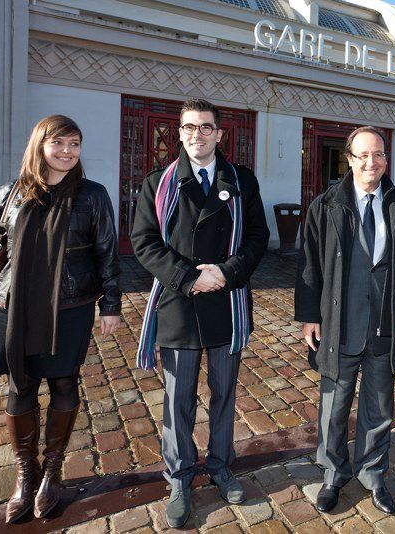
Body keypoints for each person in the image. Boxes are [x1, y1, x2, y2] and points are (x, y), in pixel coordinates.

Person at [0, 115, 122, 523]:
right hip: (14, 306)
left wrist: (110, 304)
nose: (67, 152)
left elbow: (107, 254)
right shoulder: (12, 193)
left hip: (70, 307)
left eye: (75, 144)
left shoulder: (92, 196)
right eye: (58, 143)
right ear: (39, 146)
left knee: (63, 382)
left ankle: (52, 471)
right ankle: (27, 472)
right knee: (20, 384)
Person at [130, 98, 269, 528]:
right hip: (178, 304)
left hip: (226, 302)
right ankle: (180, 475)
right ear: (180, 132)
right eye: (189, 127)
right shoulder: (159, 183)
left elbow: (258, 235)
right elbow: (144, 243)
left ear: (219, 134)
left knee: (225, 395)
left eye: (206, 127)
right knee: (178, 400)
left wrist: (226, 273)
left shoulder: (241, 180)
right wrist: (189, 277)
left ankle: (222, 465)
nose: (197, 134)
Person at [295, 126, 395, 515]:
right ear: (348, 159)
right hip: (339, 323)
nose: (372, 162)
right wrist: (308, 317)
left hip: (384, 323)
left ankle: (373, 473)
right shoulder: (326, 205)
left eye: (380, 154)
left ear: (386, 159)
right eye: (364, 154)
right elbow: (309, 265)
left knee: (379, 405)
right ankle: (333, 474)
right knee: (334, 406)